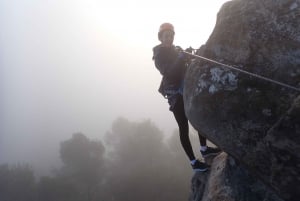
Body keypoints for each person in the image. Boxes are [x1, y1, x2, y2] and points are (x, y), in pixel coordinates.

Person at [152, 23, 221, 172]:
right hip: (175, 94)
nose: (169, 38)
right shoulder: (158, 55)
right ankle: (193, 162)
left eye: (171, 35)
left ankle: (204, 148)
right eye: (166, 36)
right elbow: (168, 72)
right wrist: (181, 57)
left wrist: (186, 54)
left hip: (185, 88)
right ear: (161, 38)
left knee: (197, 115)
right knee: (183, 127)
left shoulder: (176, 50)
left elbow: (181, 65)